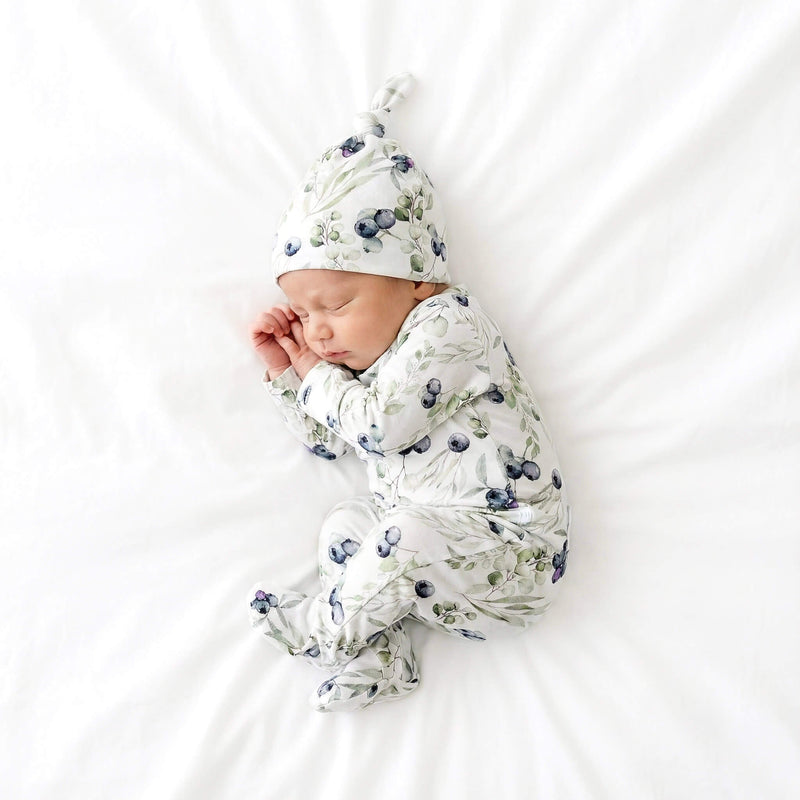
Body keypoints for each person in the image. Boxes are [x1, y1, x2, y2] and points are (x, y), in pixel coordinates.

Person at [248, 73, 570, 712]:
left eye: (335, 303)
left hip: (508, 554)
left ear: (416, 279)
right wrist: (288, 372)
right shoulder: (370, 364)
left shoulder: (447, 327)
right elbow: (326, 440)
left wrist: (317, 373)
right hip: (428, 552)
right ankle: (381, 658)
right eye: (302, 312)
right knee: (349, 524)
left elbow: (375, 428)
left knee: (407, 538)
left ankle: (326, 633)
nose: (317, 327)